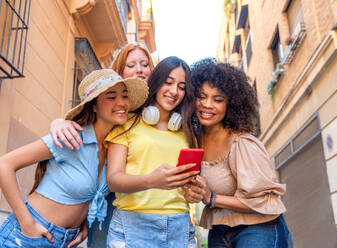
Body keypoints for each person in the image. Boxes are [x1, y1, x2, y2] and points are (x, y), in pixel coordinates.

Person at [0, 69, 148, 248]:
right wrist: (27, 223)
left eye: (124, 96)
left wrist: (83, 224)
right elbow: (5, 164)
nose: (121, 102)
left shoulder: (114, 150)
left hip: (66, 241)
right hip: (28, 236)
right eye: (111, 96)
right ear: (93, 105)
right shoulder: (71, 135)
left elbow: (88, 195)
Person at [49, 42, 154, 247]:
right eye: (131, 65)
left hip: (146, 204)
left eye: (144, 64)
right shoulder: (108, 110)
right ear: (119, 71)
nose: (139, 70)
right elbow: (83, 125)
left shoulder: (157, 110)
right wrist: (59, 122)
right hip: (108, 199)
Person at [182, 58, 293, 248]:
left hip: (258, 228)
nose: (207, 104)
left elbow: (264, 200)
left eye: (218, 99)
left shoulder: (242, 143)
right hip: (218, 229)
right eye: (202, 96)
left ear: (230, 104)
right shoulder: (193, 140)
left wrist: (211, 198)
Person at [104, 56, 198, 248]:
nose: (174, 91)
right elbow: (113, 180)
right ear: (156, 82)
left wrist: (197, 190)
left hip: (179, 226)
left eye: (181, 87)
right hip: (132, 225)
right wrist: (151, 180)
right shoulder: (127, 124)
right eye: (168, 82)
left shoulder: (188, 131)